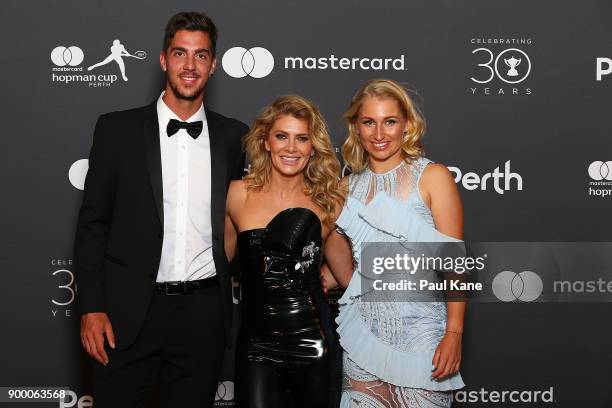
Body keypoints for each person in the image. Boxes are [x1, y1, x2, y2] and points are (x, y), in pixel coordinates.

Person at [74, 11, 247, 407]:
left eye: (201, 56)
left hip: (202, 315)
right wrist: (93, 307)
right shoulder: (117, 130)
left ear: (214, 64)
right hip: (127, 311)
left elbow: (254, 214)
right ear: (163, 59)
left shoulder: (235, 137)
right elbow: (92, 225)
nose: (190, 66)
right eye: (180, 54)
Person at [324, 79, 466, 408]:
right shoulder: (343, 189)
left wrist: (454, 333)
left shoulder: (432, 177)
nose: (379, 134)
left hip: (424, 339)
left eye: (389, 122)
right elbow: (346, 272)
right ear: (355, 127)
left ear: (407, 125)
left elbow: (455, 264)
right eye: (368, 122)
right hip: (364, 341)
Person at [224, 95, 349, 408]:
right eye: (282, 136)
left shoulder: (327, 203)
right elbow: (218, 265)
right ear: (266, 141)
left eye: (302, 138)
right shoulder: (237, 194)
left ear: (312, 146)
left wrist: (322, 278)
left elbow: (346, 273)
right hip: (256, 346)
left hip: (313, 343)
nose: (291, 148)